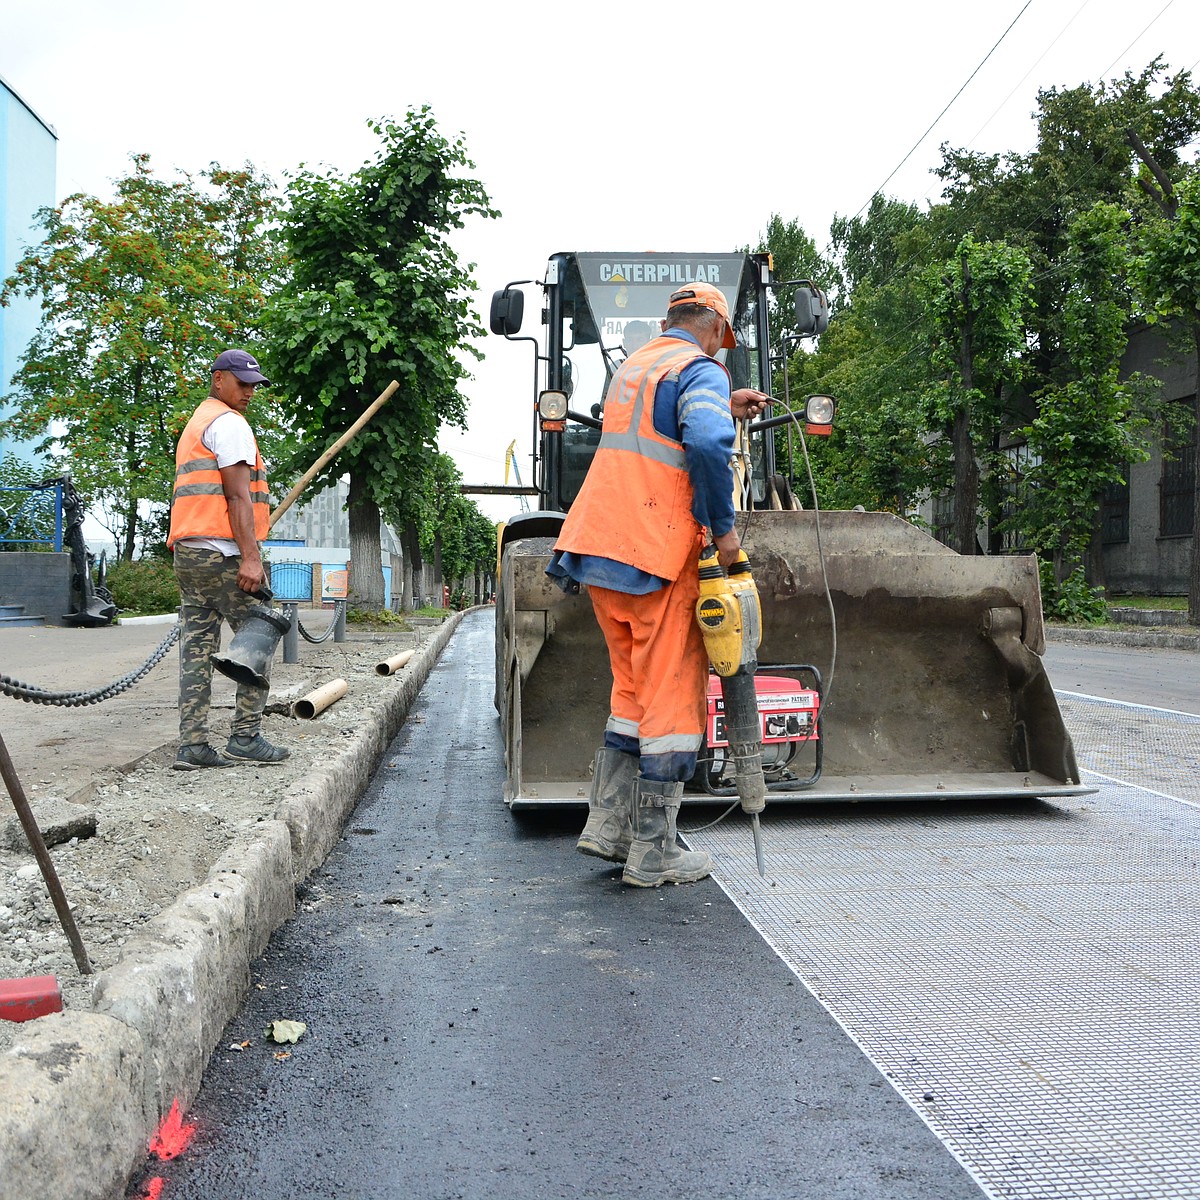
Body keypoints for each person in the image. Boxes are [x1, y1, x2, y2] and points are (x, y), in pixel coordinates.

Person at [547, 282, 769, 887]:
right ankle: (654, 851)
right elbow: (702, 442)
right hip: (656, 554)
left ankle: (609, 827)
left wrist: (724, 403)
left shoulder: (638, 366)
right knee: (671, 699)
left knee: (633, 694)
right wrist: (724, 534)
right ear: (717, 331)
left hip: (597, 547)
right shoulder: (701, 369)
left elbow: (662, 428)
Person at [167, 349, 290, 770]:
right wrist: (251, 559)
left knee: (197, 649)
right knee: (262, 628)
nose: (249, 392)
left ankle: (193, 745)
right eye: (242, 383)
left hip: (189, 554)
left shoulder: (197, 423)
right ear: (218, 379)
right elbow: (238, 496)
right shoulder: (230, 425)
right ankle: (246, 736)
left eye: (254, 384)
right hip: (222, 554)